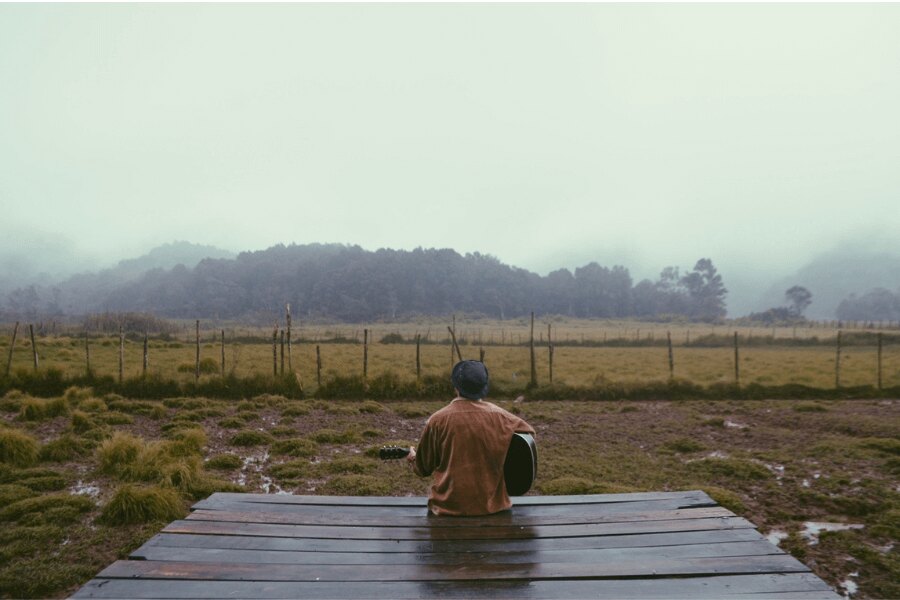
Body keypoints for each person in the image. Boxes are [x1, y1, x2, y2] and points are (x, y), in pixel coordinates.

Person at [407, 360, 535, 516]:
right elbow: (528, 436)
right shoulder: (503, 417)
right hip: (493, 508)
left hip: (447, 510)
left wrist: (413, 457)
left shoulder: (437, 420)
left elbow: (422, 468)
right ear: (484, 387)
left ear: (456, 387)